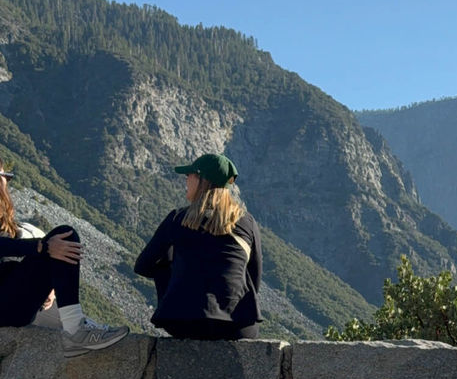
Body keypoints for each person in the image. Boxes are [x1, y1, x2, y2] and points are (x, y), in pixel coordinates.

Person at [0, 159, 129, 357]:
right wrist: (41, 246)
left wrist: (47, 282)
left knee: (64, 236)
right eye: (4, 176)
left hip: (9, 300)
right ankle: (75, 329)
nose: (7, 182)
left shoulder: (5, 222)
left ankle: (75, 328)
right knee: (62, 234)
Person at [134, 153, 262, 340]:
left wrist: (177, 269)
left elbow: (143, 265)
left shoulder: (177, 218)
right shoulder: (247, 222)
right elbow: (255, 276)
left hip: (183, 322)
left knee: (163, 264)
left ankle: (179, 302)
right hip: (236, 324)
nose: (186, 179)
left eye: (190, 175)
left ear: (202, 180)